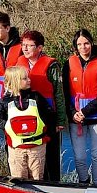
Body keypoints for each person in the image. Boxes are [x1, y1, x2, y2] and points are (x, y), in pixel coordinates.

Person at [62, 28, 97, 185]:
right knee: (79, 156)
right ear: (75, 47)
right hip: (76, 117)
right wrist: (73, 113)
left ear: (91, 44)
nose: (83, 47)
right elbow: (64, 92)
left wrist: (85, 111)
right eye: (79, 44)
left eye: (86, 43)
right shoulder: (68, 64)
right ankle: (84, 182)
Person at [14, 30, 65, 181]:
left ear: (40, 48)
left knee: (51, 155)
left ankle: (55, 186)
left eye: (30, 45)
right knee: (31, 155)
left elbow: (59, 93)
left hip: (47, 115)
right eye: (23, 45)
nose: (25, 48)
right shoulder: (19, 63)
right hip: (27, 116)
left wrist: (60, 120)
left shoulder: (52, 65)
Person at [0, 66, 54, 180]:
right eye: (25, 78)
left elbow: (50, 114)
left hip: (37, 147)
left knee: (37, 178)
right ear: (15, 81)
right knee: (18, 178)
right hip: (16, 148)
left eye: (28, 77)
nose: (29, 80)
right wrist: (8, 126)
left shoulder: (36, 97)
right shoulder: (5, 101)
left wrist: (44, 127)